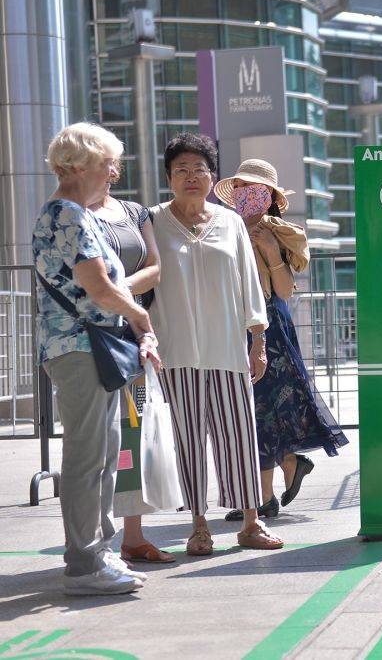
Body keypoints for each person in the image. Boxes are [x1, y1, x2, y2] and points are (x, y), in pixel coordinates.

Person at [34, 122, 162, 595]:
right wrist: (140, 319)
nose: (114, 171)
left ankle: (96, 554)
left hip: (86, 348)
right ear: (83, 163)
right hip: (80, 348)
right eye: (109, 162)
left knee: (104, 455)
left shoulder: (71, 213)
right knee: (91, 457)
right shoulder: (68, 214)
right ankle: (86, 564)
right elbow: (101, 287)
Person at [149, 133, 282, 555]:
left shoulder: (229, 223)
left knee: (239, 435)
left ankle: (251, 521)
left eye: (200, 169)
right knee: (187, 438)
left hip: (227, 349)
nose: (191, 177)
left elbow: (249, 284)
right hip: (175, 351)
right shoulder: (151, 221)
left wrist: (257, 340)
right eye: (182, 170)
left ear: (213, 176)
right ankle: (198, 523)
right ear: (169, 177)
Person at [213, 159, 348, 521]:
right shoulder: (222, 228)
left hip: (269, 325)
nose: (245, 194)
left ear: (270, 196)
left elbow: (284, 291)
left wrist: (271, 251)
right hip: (229, 323)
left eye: (254, 188)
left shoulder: (281, 232)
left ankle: (265, 495)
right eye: (240, 187)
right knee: (251, 408)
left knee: (263, 407)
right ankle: (284, 469)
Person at [88, 180, 174, 564]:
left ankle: (133, 536)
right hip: (92, 336)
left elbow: (155, 268)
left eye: (108, 165)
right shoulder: (74, 214)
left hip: (132, 334)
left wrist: (119, 290)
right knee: (96, 442)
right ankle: (93, 543)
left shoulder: (134, 212)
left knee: (132, 435)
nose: (102, 172)